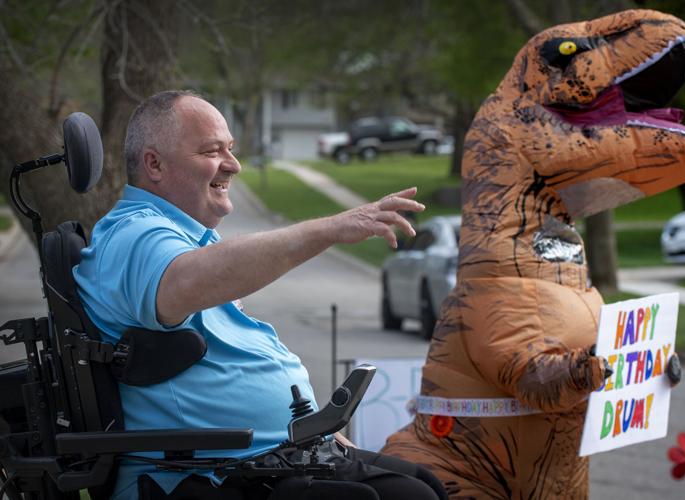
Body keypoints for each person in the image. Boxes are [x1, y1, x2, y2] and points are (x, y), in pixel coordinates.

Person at [73, 90, 445, 500]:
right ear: (154, 164)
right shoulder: (133, 234)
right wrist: (329, 229)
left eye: (230, 149)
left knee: (424, 486)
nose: (232, 165)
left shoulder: (187, 239)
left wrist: (327, 435)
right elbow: (183, 282)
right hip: (202, 475)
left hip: (273, 457)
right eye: (213, 151)